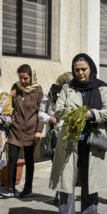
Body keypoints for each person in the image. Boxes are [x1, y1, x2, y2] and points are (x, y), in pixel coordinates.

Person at [49, 53, 107, 214]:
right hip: (71, 142)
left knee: (90, 181)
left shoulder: (101, 87)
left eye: (83, 69)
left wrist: (92, 114)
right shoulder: (68, 88)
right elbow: (58, 110)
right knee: (66, 181)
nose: (80, 73)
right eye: (77, 70)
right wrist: (73, 114)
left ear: (90, 68)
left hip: (93, 142)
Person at [1, 64, 44, 198]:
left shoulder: (38, 90)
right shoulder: (16, 87)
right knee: (12, 159)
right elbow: (9, 107)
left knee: (29, 160)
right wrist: (10, 97)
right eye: (21, 78)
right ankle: (11, 188)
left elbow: (41, 112)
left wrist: (39, 131)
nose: (23, 81)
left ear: (31, 76)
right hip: (15, 130)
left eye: (25, 78)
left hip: (31, 131)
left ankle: (28, 188)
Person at [38, 72, 73, 204]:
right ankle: (59, 192)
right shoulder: (50, 94)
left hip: (69, 135)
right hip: (55, 134)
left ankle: (63, 194)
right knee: (56, 165)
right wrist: (48, 118)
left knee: (67, 166)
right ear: (60, 84)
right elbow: (41, 113)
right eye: (66, 85)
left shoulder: (73, 95)